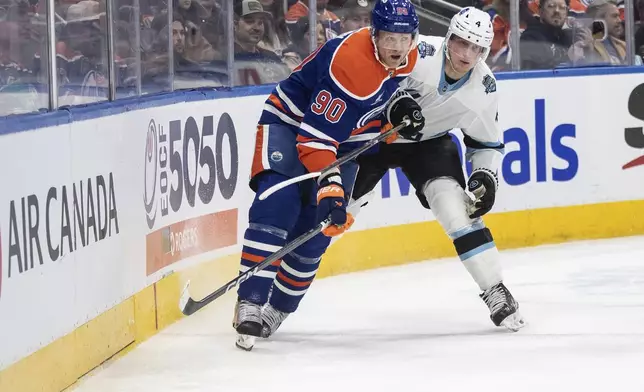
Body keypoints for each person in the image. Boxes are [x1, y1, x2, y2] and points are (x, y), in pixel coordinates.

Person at [233, 0, 425, 351]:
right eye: (390, 38)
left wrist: (396, 115)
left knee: (317, 232)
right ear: (374, 33)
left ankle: (278, 308)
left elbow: (381, 101)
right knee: (279, 205)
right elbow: (315, 139)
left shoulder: (411, 55)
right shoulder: (352, 64)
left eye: (405, 38)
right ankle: (251, 299)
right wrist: (332, 186)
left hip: (343, 140)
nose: (398, 47)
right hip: (291, 126)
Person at [350, 7, 526, 332]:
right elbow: (370, 81)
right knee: (335, 213)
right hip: (374, 138)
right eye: (462, 43)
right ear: (449, 38)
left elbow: (485, 144)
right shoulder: (418, 52)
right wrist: (394, 105)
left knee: (457, 210)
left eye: (477, 48)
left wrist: (485, 176)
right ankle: (275, 296)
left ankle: (496, 290)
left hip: (428, 145)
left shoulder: (484, 87)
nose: (467, 54)